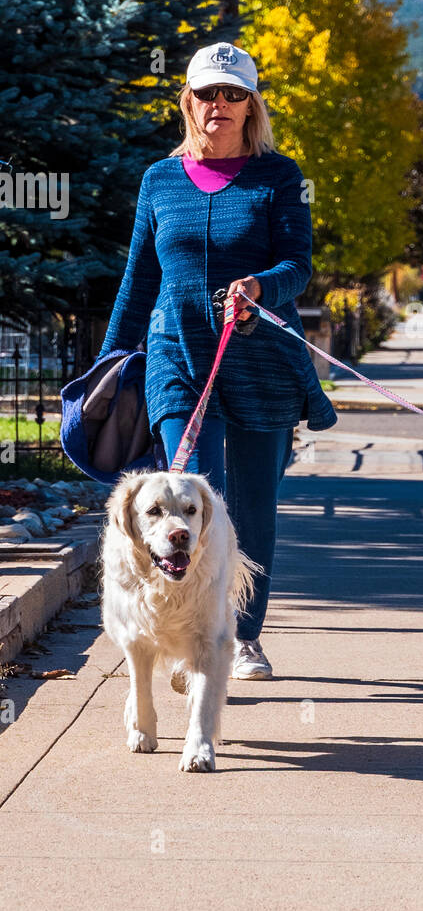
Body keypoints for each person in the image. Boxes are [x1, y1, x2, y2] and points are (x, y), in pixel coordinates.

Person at [99, 41, 336, 679]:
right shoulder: (159, 180)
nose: (219, 105)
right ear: (189, 102)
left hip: (257, 355)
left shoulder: (279, 177)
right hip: (177, 357)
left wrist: (259, 287)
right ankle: (192, 635)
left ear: (251, 106)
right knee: (194, 494)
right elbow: (138, 279)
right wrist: (106, 364)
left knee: (252, 504)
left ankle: (244, 634)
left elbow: (298, 266)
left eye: (234, 94)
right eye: (207, 93)